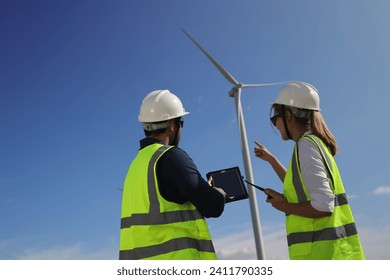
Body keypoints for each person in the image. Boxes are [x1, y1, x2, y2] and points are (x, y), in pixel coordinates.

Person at [254, 81, 365, 260]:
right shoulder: (314, 143)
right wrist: (271, 160)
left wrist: (284, 206)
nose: (275, 125)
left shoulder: (305, 146)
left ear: (288, 115)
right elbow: (303, 185)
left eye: (275, 119)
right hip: (334, 253)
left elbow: (323, 205)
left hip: (323, 256)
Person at [119, 89, 226, 260]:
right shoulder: (170, 156)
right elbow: (213, 206)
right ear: (172, 124)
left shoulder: (136, 165)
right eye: (180, 122)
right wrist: (218, 193)